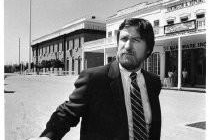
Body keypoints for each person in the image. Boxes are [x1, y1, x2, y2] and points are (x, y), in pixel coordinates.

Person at [28, 18, 162, 140]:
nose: (127, 46)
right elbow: (67, 112)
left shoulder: (153, 82)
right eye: (124, 39)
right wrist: (48, 137)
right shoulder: (95, 78)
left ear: (148, 50)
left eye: (136, 40)